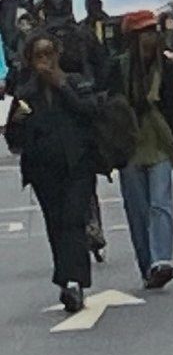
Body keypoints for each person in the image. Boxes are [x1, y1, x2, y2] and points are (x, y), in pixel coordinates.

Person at [5, 36, 101, 313]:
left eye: (49, 53)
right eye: (39, 55)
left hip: (78, 166)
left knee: (73, 219)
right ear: (31, 60)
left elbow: (91, 111)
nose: (45, 60)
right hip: (44, 171)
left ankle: (73, 282)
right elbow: (14, 140)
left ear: (58, 54)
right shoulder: (26, 95)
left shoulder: (75, 82)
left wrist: (62, 86)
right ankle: (67, 281)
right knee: (56, 223)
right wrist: (17, 124)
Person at [114, 10, 173, 290]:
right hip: (129, 145)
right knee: (137, 209)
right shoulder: (118, 69)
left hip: (160, 142)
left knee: (160, 203)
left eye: (152, 32)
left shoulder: (164, 67)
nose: (149, 38)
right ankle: (147, 264)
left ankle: (162, 260)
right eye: (143, 34)